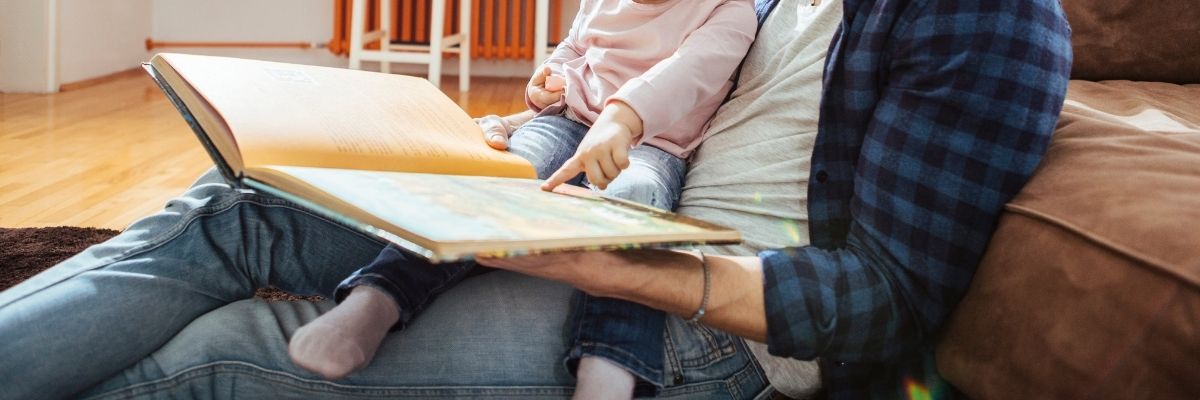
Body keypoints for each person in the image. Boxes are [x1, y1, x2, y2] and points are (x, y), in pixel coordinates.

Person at [0, 0, 1072, 398]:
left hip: (702, 329)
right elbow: (646, 78)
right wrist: (521, 135)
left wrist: (612, 262)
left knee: (232, 347)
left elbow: (883, 303)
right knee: (230, 210)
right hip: (588, 208)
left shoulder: (995, 21)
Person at [286, 1, 757, 397]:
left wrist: (622, 120)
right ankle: (378, 297)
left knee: (637, 202)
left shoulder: (731, 10)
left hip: (654, 144)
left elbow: (690, 72)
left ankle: (611, 365)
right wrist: (546, 79)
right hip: (569, 118)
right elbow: (575, 47)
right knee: (503, 175)